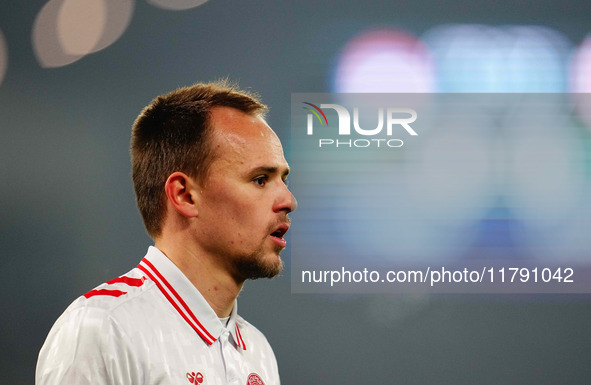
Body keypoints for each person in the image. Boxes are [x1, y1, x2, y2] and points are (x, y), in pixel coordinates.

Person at [36, 81, 296, 385]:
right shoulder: (102, 329)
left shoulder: (258, 352)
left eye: (284, 179)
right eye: (261, 179)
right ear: (184, 195)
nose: (288, 201)